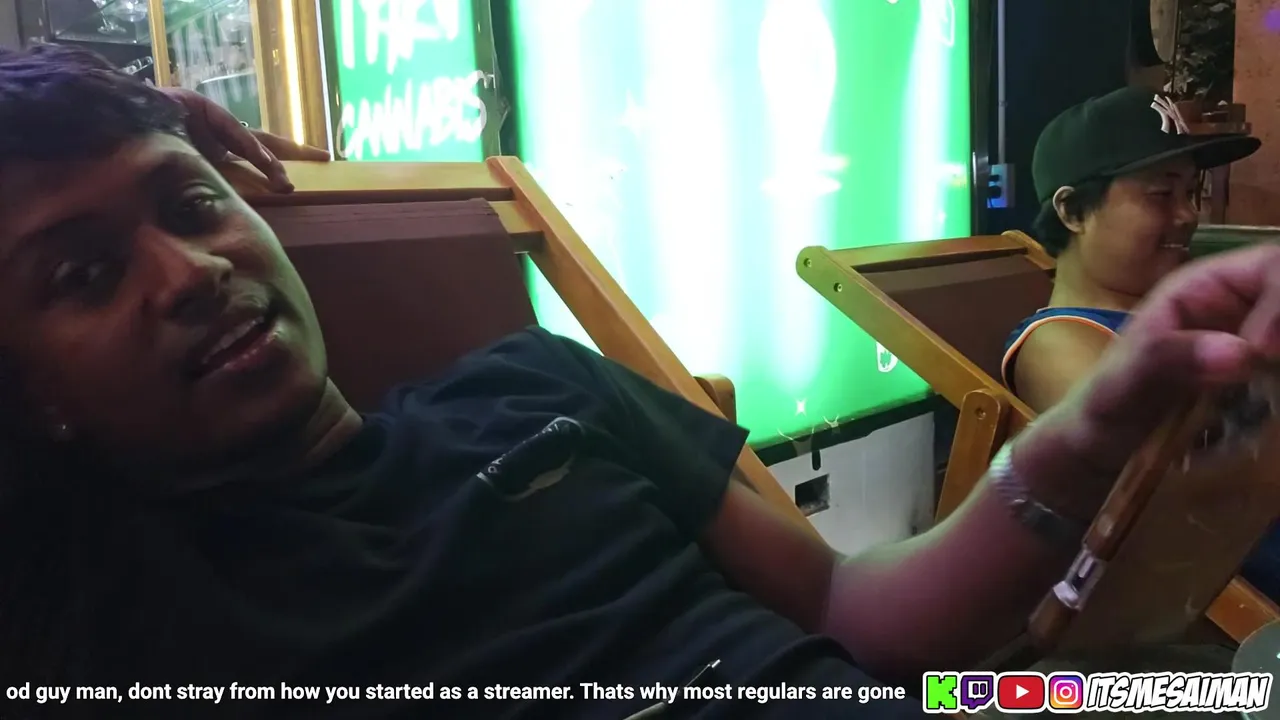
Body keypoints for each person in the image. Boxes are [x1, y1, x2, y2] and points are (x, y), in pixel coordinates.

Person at [4, 45, 1280, 720]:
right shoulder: (98, 592)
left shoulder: (538, 385)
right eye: (82, 273)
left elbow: (855, 613)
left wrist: (1078, 442)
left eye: (194, 204)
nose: (186, 274)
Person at [999, 86, 1280, 603]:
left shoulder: (1190, 315)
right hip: (1238, 593)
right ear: (1073, 211)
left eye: (1191, 193)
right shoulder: (1057, 340)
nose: (1188, 215)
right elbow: (1162, 483)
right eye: (1161, 195)